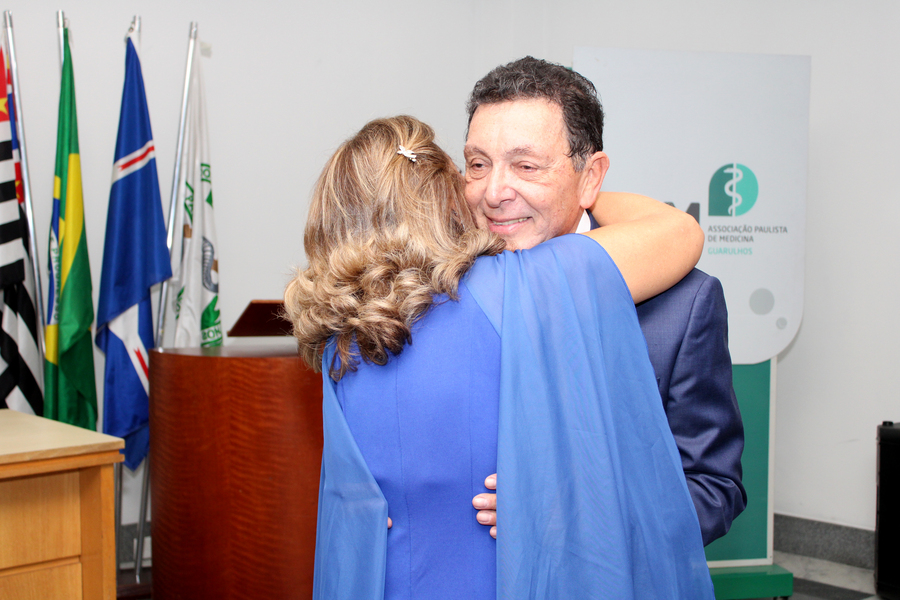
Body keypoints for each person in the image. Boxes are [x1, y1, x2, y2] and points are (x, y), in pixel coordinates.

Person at [285, 115, 714, 599]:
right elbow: (677, 231)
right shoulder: (523, 287)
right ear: (444, 198)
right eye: (473, 169)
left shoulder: (337, 339)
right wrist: (582, 190)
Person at [465, 56, 747, 546]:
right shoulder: (444, 288)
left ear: (590, 177)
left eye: (526, 166)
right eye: (477, 165)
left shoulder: (681, 305)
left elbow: (712, 489)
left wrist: (578, 519)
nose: (493, 192)